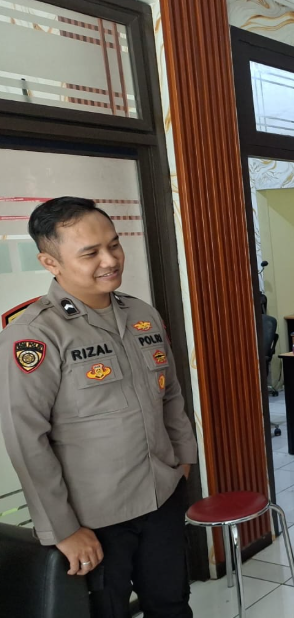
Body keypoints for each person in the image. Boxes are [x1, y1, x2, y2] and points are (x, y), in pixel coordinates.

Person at [0, 197, 197, 618]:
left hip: (161, 496)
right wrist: (63, 529)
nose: (110, 260)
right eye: (90, 253)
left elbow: (171, 394)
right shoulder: (35, 334)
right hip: (95, 517)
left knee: (172, 604)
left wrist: (183, 461)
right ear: (50, 262)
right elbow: (25, 437)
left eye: (114, 245)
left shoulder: (141, 313)